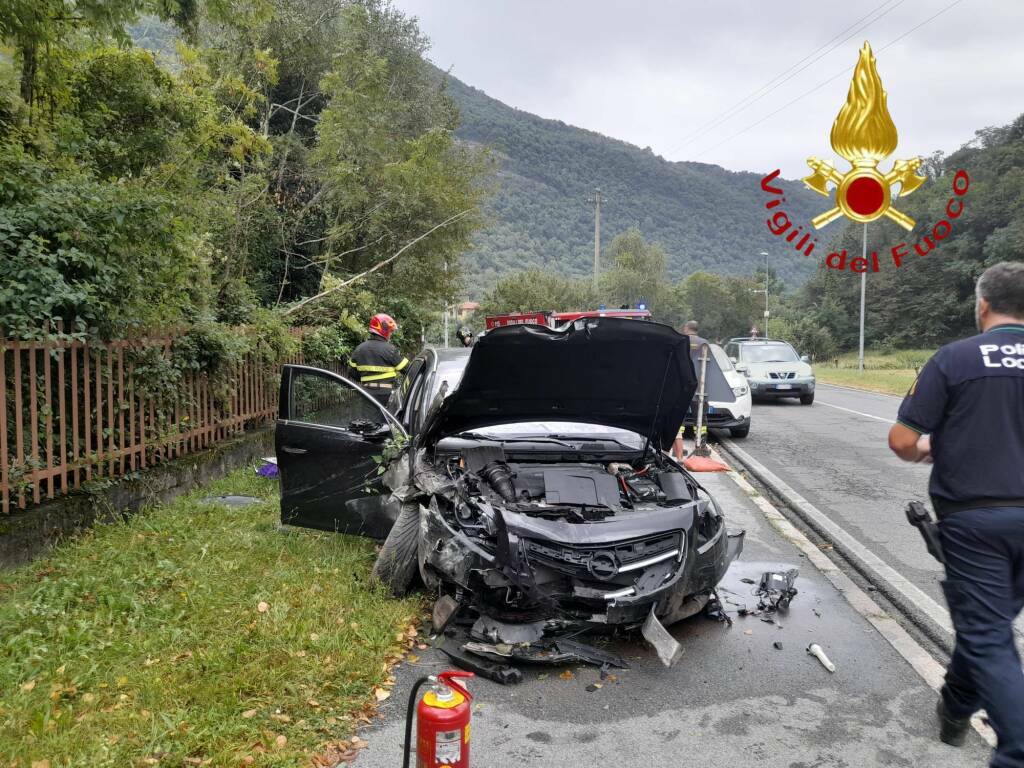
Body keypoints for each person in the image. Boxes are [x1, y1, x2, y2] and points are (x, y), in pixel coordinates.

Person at [887, 261, 1024, 767]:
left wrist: (929, 445)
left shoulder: (956, 358)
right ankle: (957, 706)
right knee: (989, 622)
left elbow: (901, 440)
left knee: (988, 634)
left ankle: (1016, 749)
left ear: (983, 305)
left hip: (976, 522)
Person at [349, 313, 409, 406]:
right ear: (384, 330)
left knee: (368, 420)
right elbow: (407, 370)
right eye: (390, 331)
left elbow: (352, 373)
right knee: (386, 420)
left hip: (366, 394)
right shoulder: (390, 350)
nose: (390, 334)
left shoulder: (359, 349)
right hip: (386, 395)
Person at [675, 320, 710, 459]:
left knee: (678, 418)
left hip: (682, 387)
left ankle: (679, 448)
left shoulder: (681, 341)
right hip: (700, 388)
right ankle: (701, 445)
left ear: (686, 328)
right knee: (700, 418)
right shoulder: (704, 344)